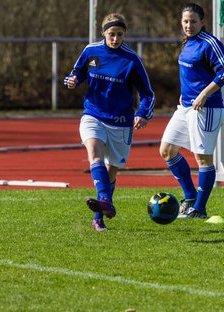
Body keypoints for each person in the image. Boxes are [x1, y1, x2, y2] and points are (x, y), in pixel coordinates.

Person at [64, 13, 155, 231]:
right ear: (103, 32)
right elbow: (76, 73)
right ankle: (105, 199)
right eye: (111, 34)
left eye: (120, 34)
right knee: (94, 154)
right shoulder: (91, 51)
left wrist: (142, 113)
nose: (115, 39)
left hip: (121, 122)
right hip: (93, 115)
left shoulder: (131, 60)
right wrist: (72, 80)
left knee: (111, 170)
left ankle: (100, 216)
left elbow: (148, 94)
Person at [160, 2, 224, 219]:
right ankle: (189, 198)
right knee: (167, 150)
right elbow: (192, 74)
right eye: (185, 21)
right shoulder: (187, 42)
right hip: (186, 106)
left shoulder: (210, 43)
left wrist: (203, 94)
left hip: (206, 108)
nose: (189, 25)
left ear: (203, 22)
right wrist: (185, 93)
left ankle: (199, 209)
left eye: (193, 21)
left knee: (203, 159)